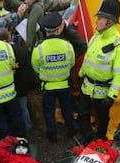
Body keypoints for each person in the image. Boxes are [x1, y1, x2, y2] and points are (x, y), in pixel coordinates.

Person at [78, 0, 120, 143]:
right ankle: (86, 137)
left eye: (100, 18)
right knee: (83, 114)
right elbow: (88, 58)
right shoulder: (96, 36)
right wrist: (81, 75)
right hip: (86, 87)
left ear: (109, 22)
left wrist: (111, 97)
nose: (97, 20)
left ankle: (100, 141)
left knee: (102, 119)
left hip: (103, 93)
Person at [31, 12, 77, 142]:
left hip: (48, 86)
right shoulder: (68, 46)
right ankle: (71, 128)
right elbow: (72, 63)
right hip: (64, 84)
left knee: (49, 111)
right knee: (67, 108)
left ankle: (52, 133)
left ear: (45, 31)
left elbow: (35, 68)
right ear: (59, 29)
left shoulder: (38, 49)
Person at [0, 27, 33, 133]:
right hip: (21, 85)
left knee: (9, 111)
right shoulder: (22, 50)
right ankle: (27, 126)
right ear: (9, 36)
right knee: (23, 107)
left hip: (6, 86)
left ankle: (11, 130)